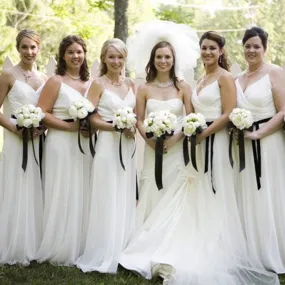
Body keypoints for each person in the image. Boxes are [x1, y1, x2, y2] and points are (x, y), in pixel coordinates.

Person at [120, 29, 280, 285]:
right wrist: (193, 132)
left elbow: (228, 113)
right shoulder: (204, 79)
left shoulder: (225, 77)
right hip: (197, 142)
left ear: (221, 51)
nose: (207, 52)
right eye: (203, 48)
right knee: (199, 192)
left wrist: (202, 133)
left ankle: (220, 247)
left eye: (212, 48)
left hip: (214, 141)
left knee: (216, 191)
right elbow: (191, 114)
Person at [76, 38, 136, 273]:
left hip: (127, 147)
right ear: (103, 58)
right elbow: (90, 117)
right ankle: (103, 250)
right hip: (107, 146)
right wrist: (115, 127)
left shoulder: (131, 84)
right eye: (111, 56)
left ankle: (123, 248)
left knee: (124, 193)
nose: (116, 61)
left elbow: (136, 114)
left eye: (120, 57)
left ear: (125, 59)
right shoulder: (98, 84)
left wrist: (131, 126)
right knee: (107, 194)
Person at [36, 35, 93, 265]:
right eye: (70, 52)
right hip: (60, 142)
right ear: (63, 55)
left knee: (82, 189)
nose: (75, 56)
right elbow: (42, 113)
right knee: (61, 190)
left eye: (79, 52)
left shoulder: (91, 83)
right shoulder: (55, 81)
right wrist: (70, 127)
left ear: (85, 54)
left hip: (85, 145)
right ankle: (58, 244)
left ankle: (80, 243)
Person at [235, 26, 285, 273]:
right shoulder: (239, 78)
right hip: (242, 144)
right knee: (247, 196)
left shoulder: (275, 73)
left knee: (267, 193)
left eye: (256, 46)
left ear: (265, 48)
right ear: (242, 48)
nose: (252, 50)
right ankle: (251, 251)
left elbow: (284, 111)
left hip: (267, 142)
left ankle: (272, 251)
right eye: (248, 46)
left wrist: (258, 133)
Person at [0, 29, 46, 265]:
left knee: (33, 186)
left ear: (39, 49)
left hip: (37, 141)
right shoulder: (7, 75)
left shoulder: (44, 79)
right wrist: (14, 128)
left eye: (33, 47)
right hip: (15, 139)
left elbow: (47, 112)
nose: (29, 52)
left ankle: (34, 242)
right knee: (15, 184)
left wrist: (40, 128)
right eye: (24, 47)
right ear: (18, 49)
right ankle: (12, 243)